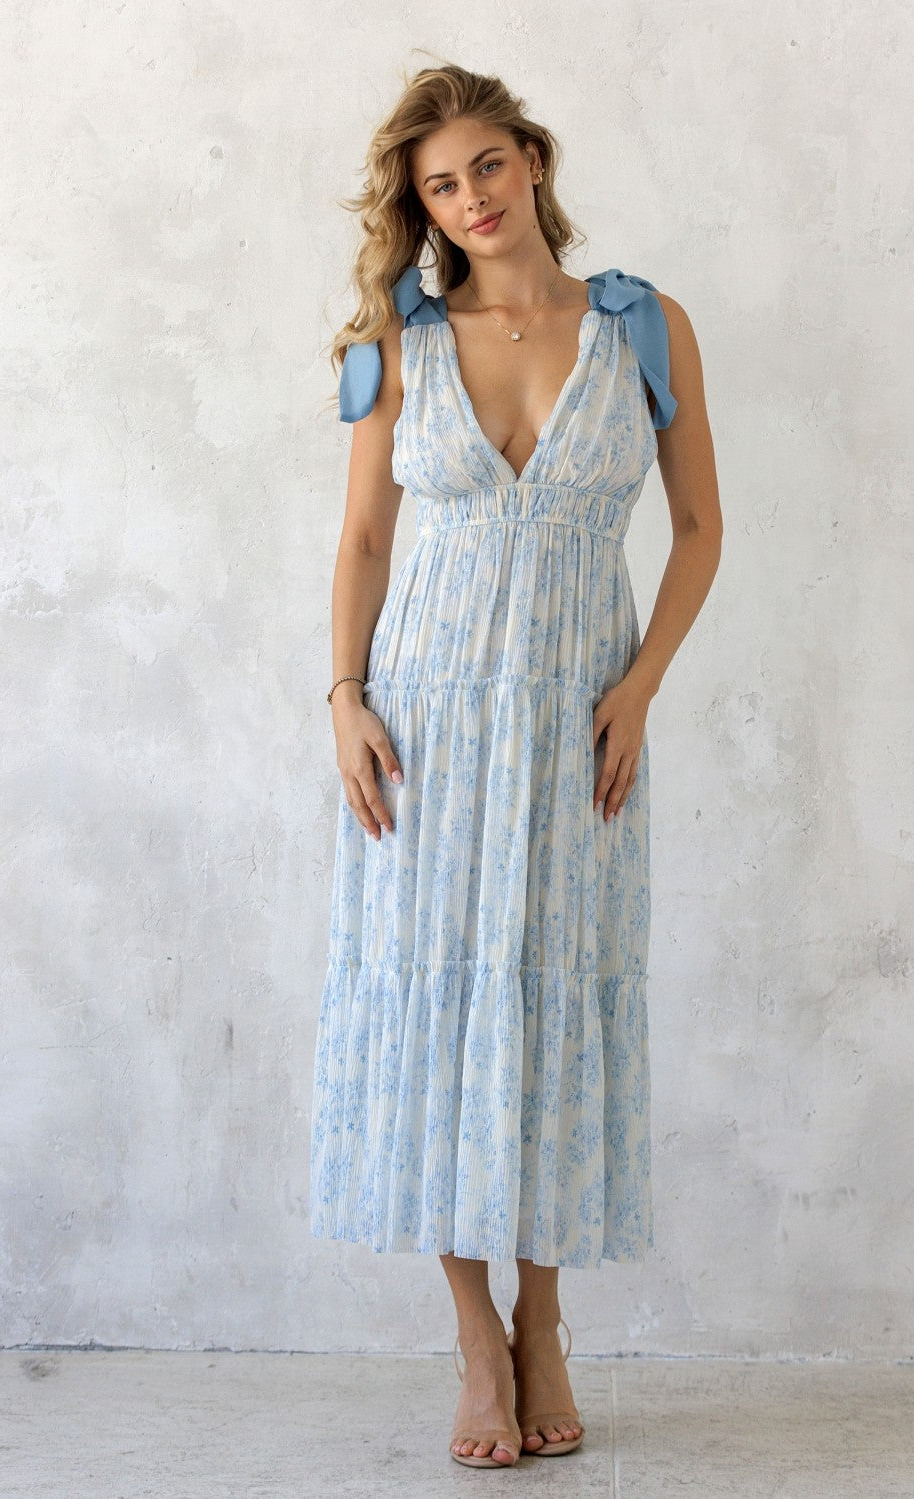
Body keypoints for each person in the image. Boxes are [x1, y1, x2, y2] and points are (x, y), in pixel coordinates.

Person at [309, 62, 722, 1468]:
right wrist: (346, 699)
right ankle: (476, 1338)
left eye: (487, 165)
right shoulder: (402, 337)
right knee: (438, 1012)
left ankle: (545, 1317)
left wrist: (640, 688)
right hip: (425, 725)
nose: (471, 198)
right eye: (440, 185)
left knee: (552, 1000)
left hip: (576, 719)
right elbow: (367, 539)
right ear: (420, 207)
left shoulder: (644, 325)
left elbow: (699, 529)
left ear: (531, 160)